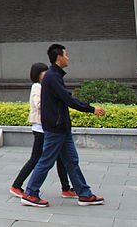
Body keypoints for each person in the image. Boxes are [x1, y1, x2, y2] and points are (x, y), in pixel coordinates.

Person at [21, 44, 106, 207]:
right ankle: (30, 193)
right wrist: (91, 109)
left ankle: (84, 193)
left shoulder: (54, 76)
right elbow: (68, 99)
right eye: (66, 55)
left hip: (61, 127)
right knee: (46, 160)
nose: (68, 57)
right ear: (59, 57)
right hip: (56, 127)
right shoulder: (52, 77)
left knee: (72, 160)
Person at [10, 63, 75, 199]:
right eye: (44, 72)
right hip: (41, 129)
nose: (47, 74)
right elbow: (38, 103)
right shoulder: (37, 87)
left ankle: (66, 188)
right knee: (36, 159)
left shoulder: (45, 86)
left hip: (50, 128)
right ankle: (16, 185)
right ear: (38, 74)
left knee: (60, 159)